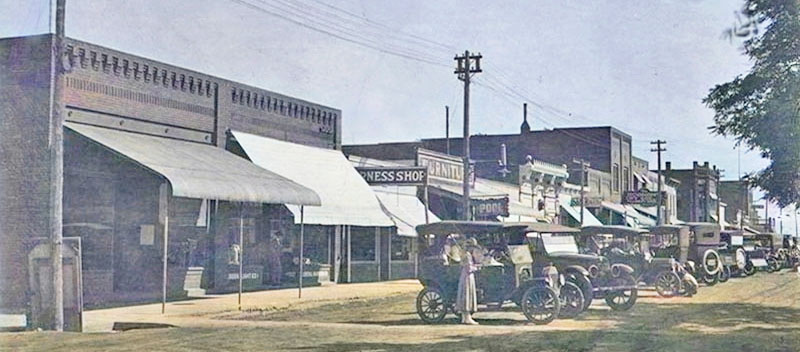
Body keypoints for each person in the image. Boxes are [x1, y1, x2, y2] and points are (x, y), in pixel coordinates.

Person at [456, 238, 480, 325]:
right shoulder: (467, 255)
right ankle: (467, 318)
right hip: (468, 276)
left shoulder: (464, 254)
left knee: (465, 294)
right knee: (467, 295)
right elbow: (469, 268)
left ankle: (464, 318)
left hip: (464, 275)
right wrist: (477, 267)